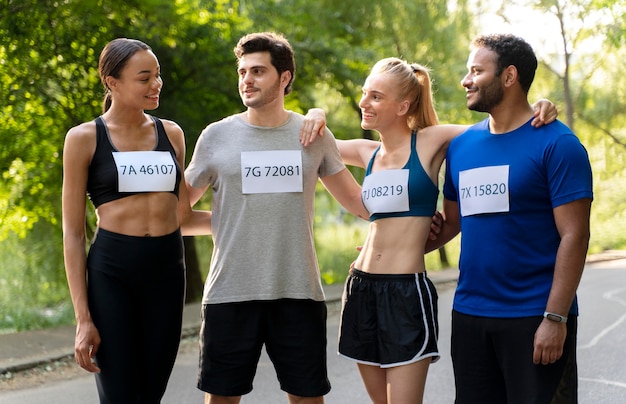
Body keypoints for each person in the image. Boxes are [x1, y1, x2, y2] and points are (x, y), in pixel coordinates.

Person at [301, 57, 556, 404]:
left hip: (406, 292)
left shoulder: (431, 141)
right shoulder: (367, 152)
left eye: (375, 96)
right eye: (364, 93)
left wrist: (538, 107)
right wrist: (316, 112)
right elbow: (311, 141)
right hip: (361, 288)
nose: (364, 103)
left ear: (403, 105)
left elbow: (500, 127)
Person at [184, 32, 369, 404]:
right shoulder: (215, 137)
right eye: (242, 72)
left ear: (284, 78)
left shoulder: (312, 134)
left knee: (306, 398)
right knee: (221, 399)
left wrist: (408, 221)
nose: (246, 80)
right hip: (229, 293)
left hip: (298, 291)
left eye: (258, 71)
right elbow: (175, 215)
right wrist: (227, 220)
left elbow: (359, 202)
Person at [425, 34, 593, 403]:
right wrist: (392, 245)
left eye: (476, 71)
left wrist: (555, 318)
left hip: (535, 316)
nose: (465, 80)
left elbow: (575, 236)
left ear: (509, 76)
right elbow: (453, 222)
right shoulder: (462, 146)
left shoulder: (558, 144)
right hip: (470, 315)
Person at [62, 38, 210, 403]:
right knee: (121, 395)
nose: (156, 84)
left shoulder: (171, 134)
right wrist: (83, 319)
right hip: (113, 272)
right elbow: (72, 232)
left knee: (150, 392)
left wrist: (244, 220)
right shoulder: (83, 138)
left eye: (158, 75)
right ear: (112, 82)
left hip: (166, 271)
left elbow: (182, 215)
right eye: (144, 78)